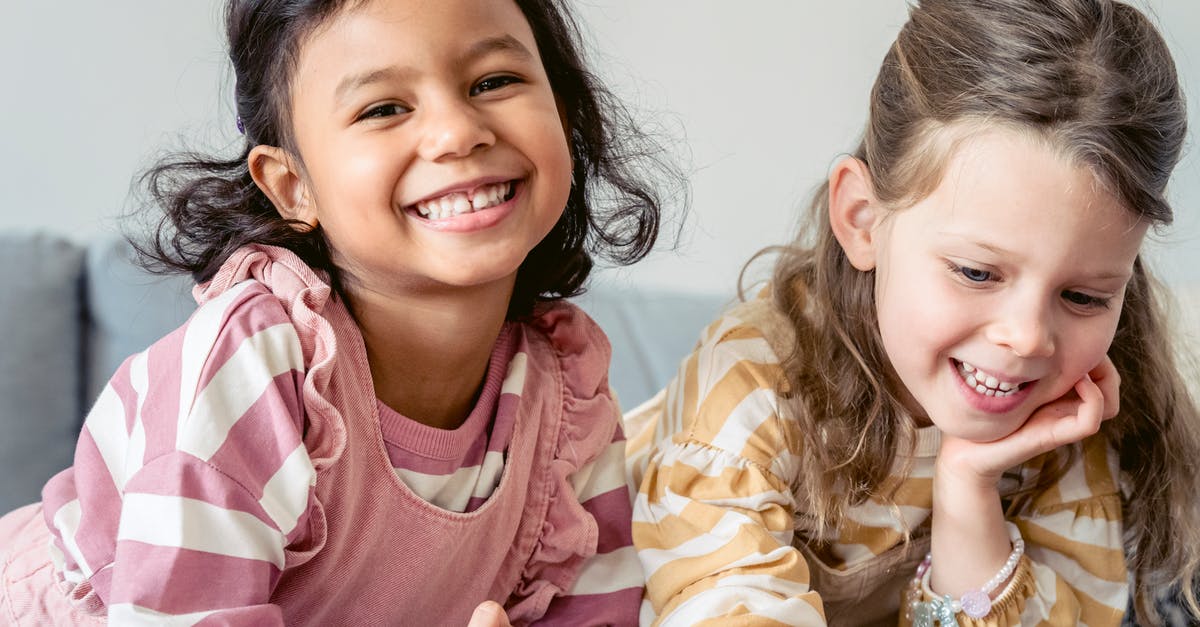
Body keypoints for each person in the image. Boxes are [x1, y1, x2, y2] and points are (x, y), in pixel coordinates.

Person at [0, 0, 679, 624]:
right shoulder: (253, 366)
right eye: (384, 108)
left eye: (493, 81)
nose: (456, 131)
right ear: (294, 187)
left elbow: (596, 612)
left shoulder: (568, 399)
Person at [625, 0, 1200, 624]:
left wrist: (968, 491)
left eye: (1084, 297)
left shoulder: (1061, 426)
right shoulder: (752, 393)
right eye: (977, 272)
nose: (1027, 338)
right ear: (863, 220)